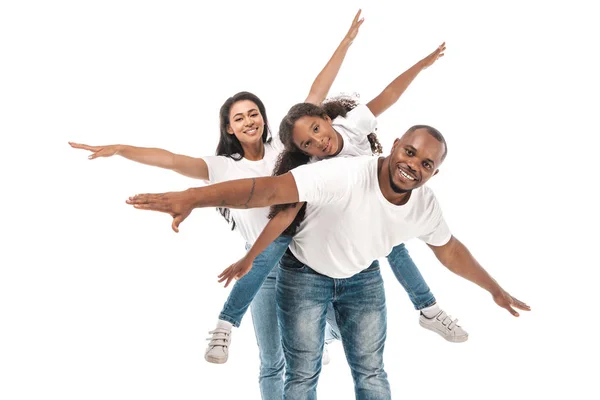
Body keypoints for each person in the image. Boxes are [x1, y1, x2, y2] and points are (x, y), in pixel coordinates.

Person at [70, 10, 365, 400]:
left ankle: (318, 334)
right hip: (261, 264)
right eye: (239, 117)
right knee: (272, 360)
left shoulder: (284, 147)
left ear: (263, 118)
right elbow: (170, 159)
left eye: (254, 114)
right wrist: (123, 149)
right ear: (229, 127)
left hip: (305, 258)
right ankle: (237, 330)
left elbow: (315, 94)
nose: (249, 121)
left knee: (341, 331)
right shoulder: (221, 166)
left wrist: (344, 44)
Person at [126, 122, 530, 400]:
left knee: (371, 369)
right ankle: (231, 325)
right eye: (410, 152)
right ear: (394, 147)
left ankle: (421, 313)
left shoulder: (424, 205)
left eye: (427, 164)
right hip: (305, 276)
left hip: (362, 279)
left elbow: (450, 249)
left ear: (434, 173)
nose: (414, 166)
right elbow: (267, 191)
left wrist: (494, 288)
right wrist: (192, 198)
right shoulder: (345, 174)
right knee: (301, 372)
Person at [218, 42, 469, 345]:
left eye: (317, 130)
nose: (318, 142)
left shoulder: (350, 127)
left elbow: (386, 95)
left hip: (365, 210)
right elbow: (283, 211)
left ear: (325, 119)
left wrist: (418, 64)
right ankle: (226, 325)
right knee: (268, 249)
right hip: (322, 222)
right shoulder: (310, 163)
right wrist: (250, 251)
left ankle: (428, 309)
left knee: (394, 245)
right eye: (307, 144)